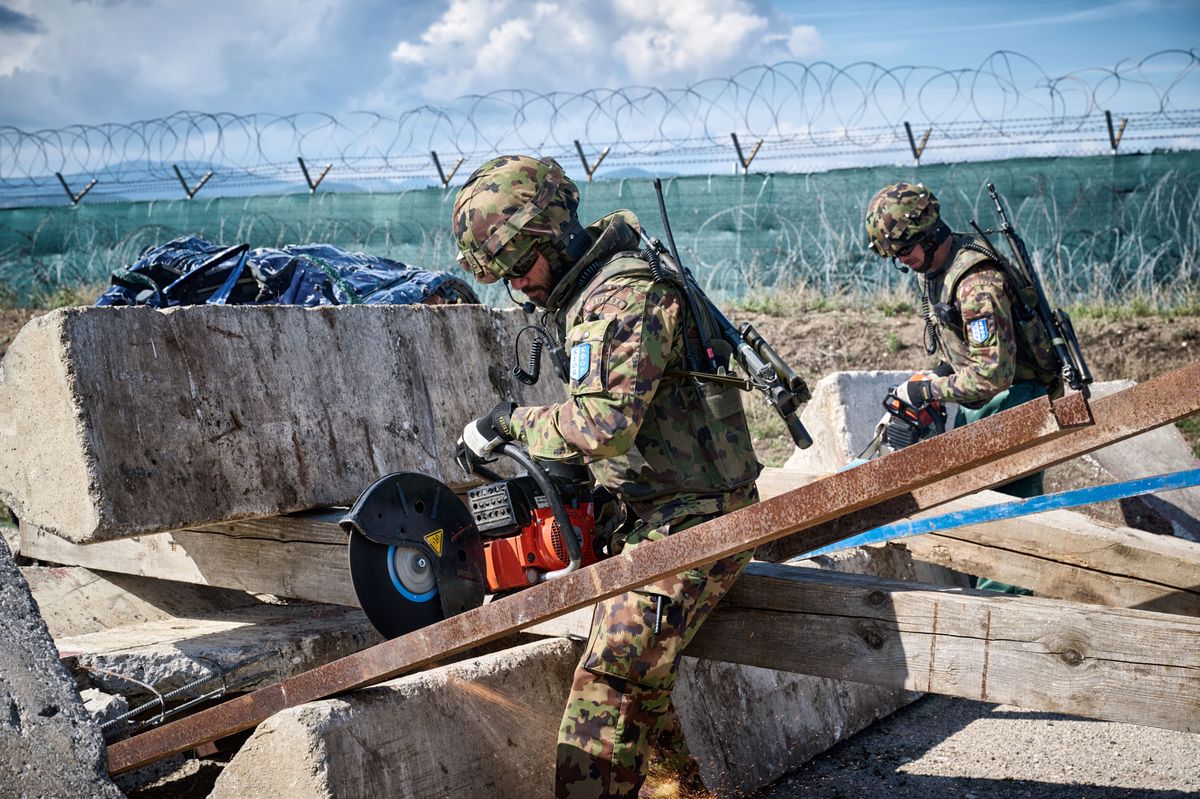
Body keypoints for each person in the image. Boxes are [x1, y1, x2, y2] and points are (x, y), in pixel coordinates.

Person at [453, 154, 761, 798]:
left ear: (550, 237)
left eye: (519, 268)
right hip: (658, 511)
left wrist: (511, 423)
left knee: (609, 687)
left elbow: (603, 425)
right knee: (638, 676)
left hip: (697, 517)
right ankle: (684, 792)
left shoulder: (621, 294)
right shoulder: (588, 291)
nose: (519, 288)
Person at [865, 181, 1064, 592]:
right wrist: (932, 375)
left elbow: (993, 373)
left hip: (1015, 408)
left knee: (1008, 532)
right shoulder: (938, 267)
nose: (904, 263)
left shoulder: (976, 283)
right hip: (987, 408)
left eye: (905, 252)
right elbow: (962, 348)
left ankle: (1008, 625)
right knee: (980, 519)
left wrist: (926, 393)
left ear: (930, 235)